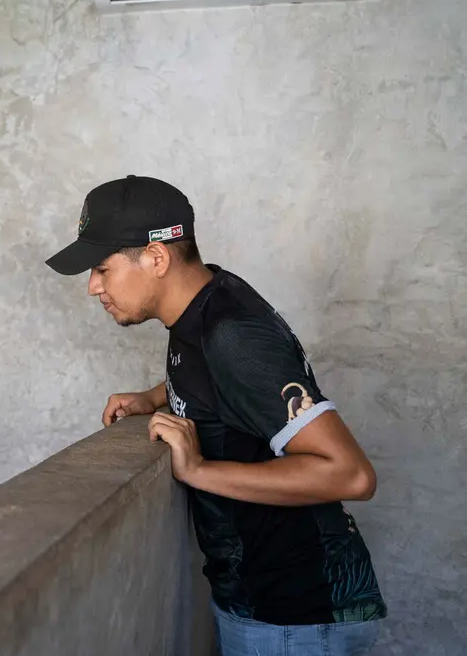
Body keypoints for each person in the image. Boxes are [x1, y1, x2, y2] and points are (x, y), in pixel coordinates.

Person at [44, 175, 387, 656]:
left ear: (157, 257)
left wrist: (200, 470)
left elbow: (351, 475)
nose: (93, 288)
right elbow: (225, 381)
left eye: (102, 269)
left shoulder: (233, 335)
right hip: (266, 608)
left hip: (298, 618)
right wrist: (154, 396)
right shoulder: (203, 307)